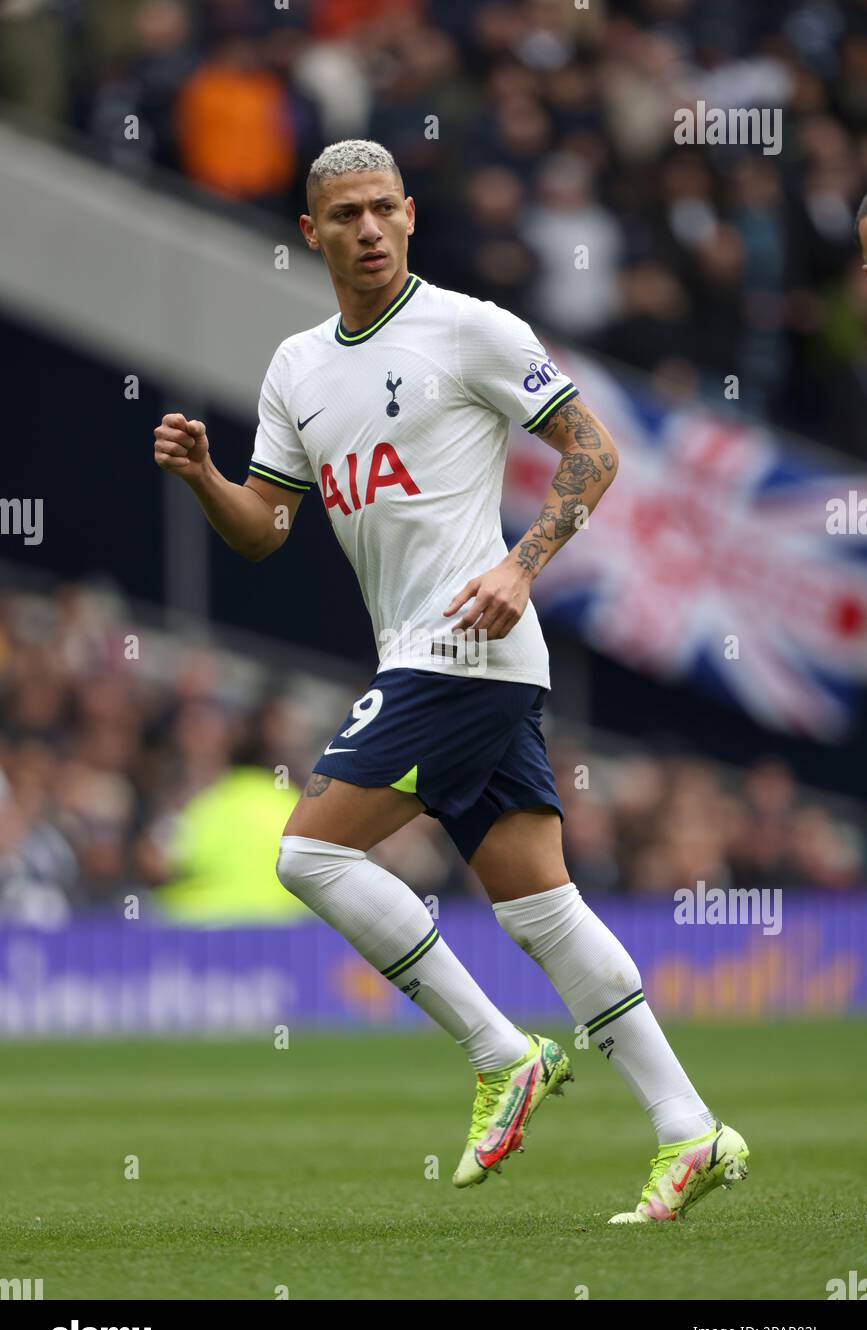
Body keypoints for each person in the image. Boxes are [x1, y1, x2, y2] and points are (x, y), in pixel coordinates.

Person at [154, 139, 749, 1221]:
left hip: (465, 648)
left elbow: (594, 451)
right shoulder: (296, 367)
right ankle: (689, 1129)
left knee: (310, 850)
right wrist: (204, 478)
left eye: (385, 208)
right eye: (345, 216)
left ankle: (499, 1052)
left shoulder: (469, 327)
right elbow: (265, 530)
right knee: (545, 912)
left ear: (412, 214)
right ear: (311, 233)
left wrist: (522, 566)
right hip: (427, 657)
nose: (368, 229)